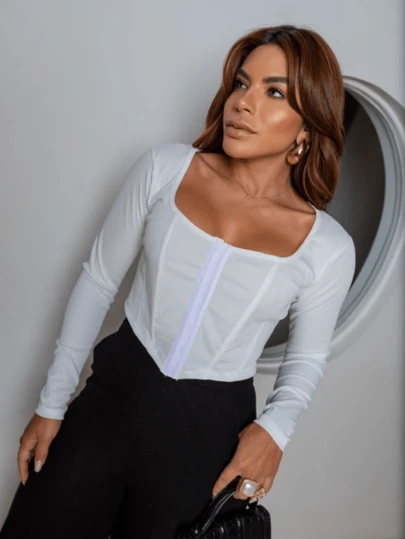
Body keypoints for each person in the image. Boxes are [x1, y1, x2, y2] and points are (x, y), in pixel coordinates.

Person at [0, 24, 356, 539]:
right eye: (241, 83)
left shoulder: (327, 247)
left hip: (206, 440)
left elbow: (306, 361)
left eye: (274, 92)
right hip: (111, 399)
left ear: (307, 127)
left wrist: (274, 431)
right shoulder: (163, 170)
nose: (243, 102)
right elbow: (98, 282)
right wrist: (52, 404)